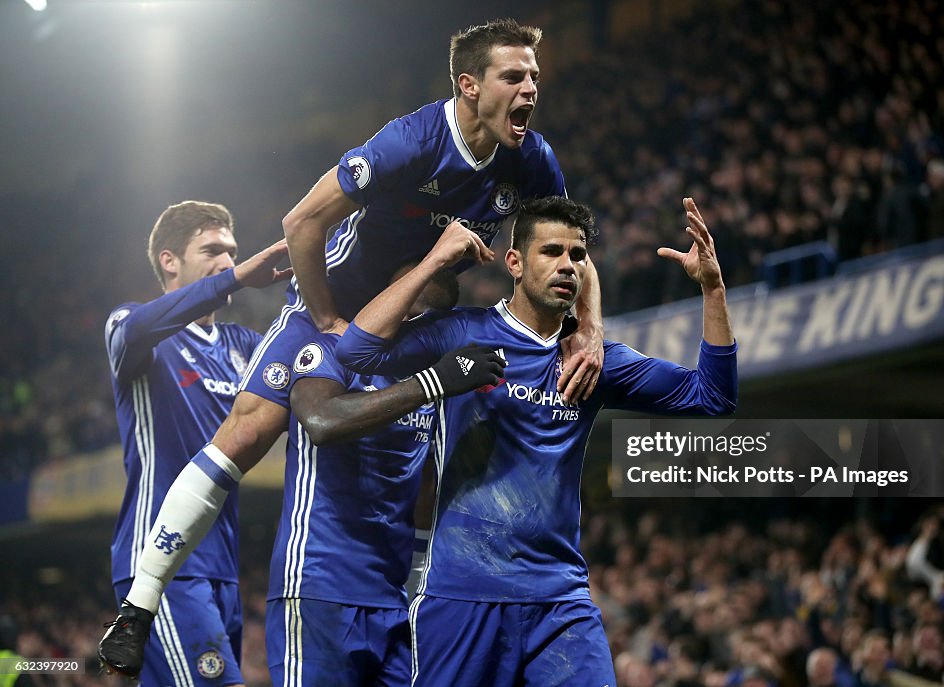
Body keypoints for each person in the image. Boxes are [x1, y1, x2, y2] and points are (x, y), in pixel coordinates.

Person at [99, 18, 608, 677]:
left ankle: (425, 589)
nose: (531, 87)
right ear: (470, 85)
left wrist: (590, 328)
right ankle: (139, 606)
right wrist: (329, 315)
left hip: (419, 311)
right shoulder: (411, 141)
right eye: (515, 75)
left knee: (435, 445)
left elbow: (570, 245)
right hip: (334, 303)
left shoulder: (533, 160)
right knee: (248, 429)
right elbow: (301, 222)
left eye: (535, 76)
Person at [334, 196, 738, 686]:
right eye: (551, 252)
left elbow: (712, 397)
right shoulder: (463, 332)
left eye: (577, 255)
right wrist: (436, 261)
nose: (567, 265)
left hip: (559, 601)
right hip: (462, 593)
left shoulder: (592, 362)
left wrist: (713, 289)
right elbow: (356, 350)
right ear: (515, 263)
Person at [267, 267, 504, 686]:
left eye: (435, 317)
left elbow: (427, 485)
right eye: (414, 310)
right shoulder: (330, 350)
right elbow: (321, 421)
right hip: (321, 586)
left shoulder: (435, 379)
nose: (419, 324)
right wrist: (430, 383)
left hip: (394, 594)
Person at [97, 201, 291, 682]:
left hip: (223, 567)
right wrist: (238, 278)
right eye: (211, 250)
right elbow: (137, 329)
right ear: (169, 260)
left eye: (232, 252)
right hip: (159, 566)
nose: (227, 261)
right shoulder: (133, 327)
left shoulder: (242, 345)